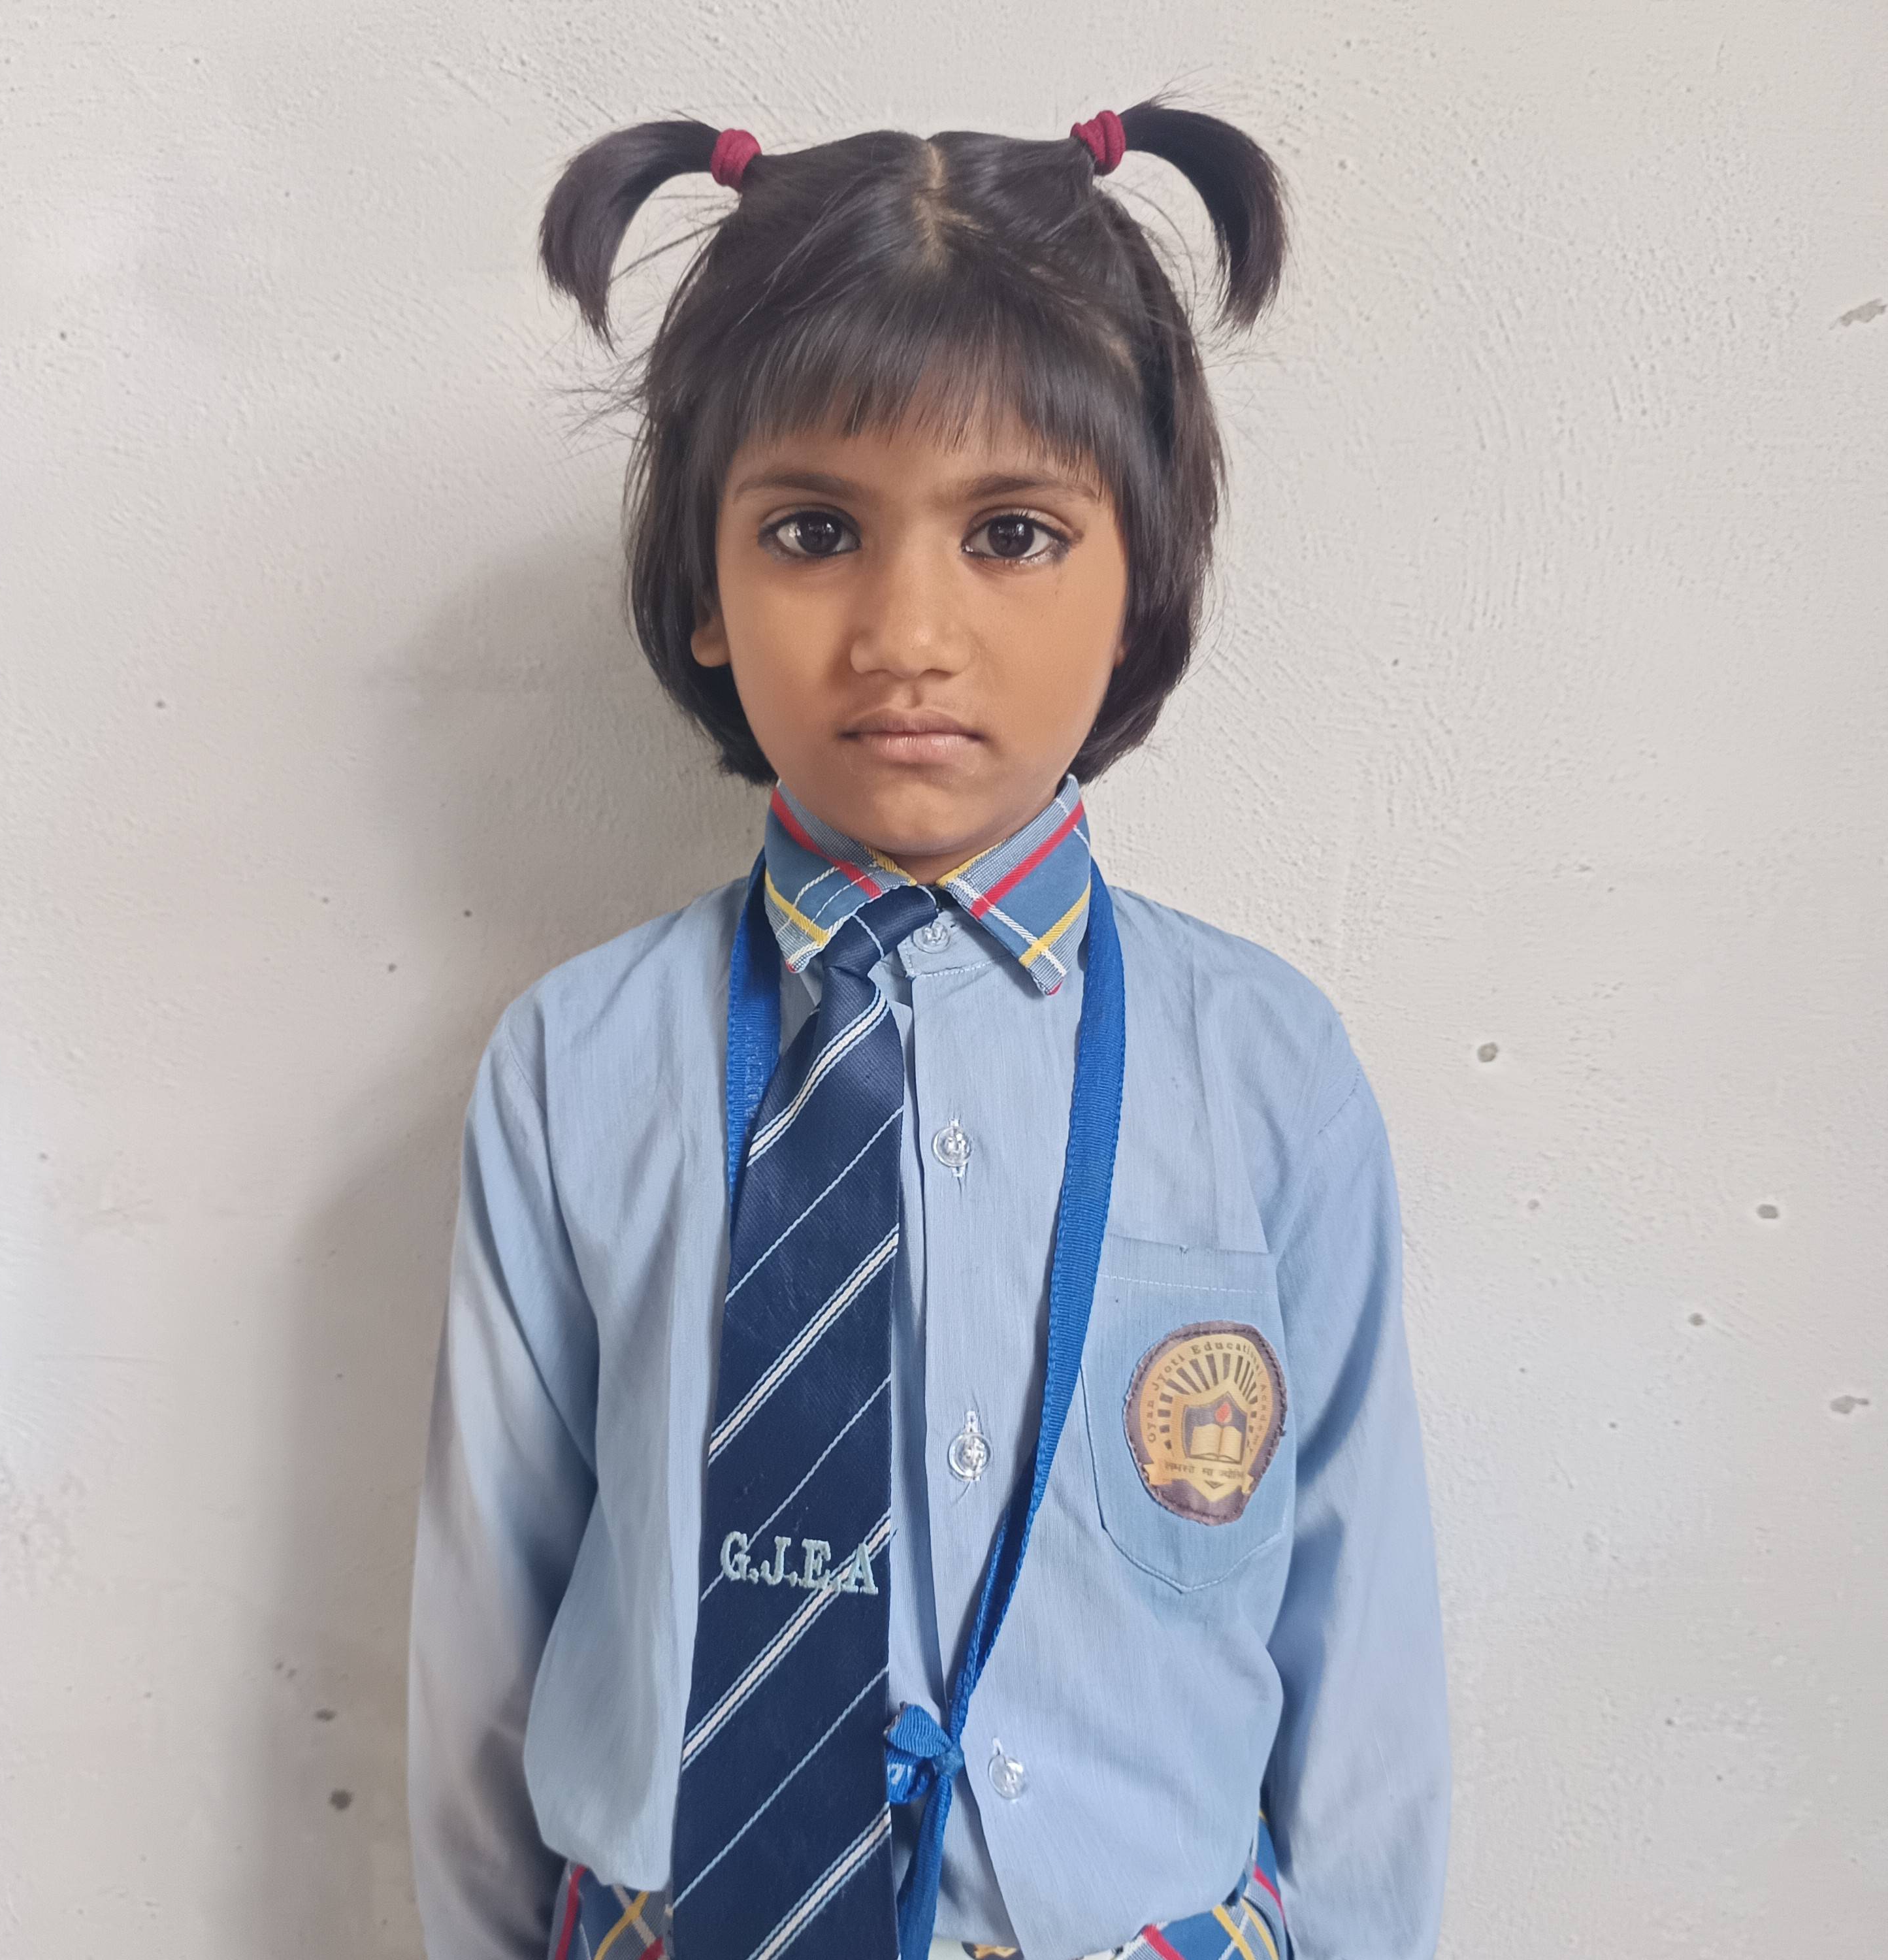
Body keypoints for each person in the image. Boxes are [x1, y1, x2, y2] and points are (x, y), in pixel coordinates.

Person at [407, 99, 1448, 1960]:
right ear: (704, 589)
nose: (907, 631)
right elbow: (487, 1630)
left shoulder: (1266, 1070)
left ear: (1141, 582)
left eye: (1015, 534)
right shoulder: (576, 1066)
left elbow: (1358, 1647)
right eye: (813, 530)